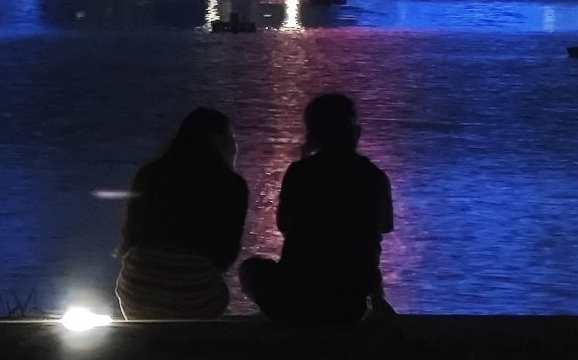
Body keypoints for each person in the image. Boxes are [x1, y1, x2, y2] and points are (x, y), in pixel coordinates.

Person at [239, 91, 394, 325]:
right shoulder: (375, 177)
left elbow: (285, 225)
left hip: (298, 296)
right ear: (355, 132)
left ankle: (280, 317)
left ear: (312, 134)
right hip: (350, 303)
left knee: (251, 269)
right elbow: (382, 228)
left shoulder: (300, 173)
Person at [116, 107, 249, 320]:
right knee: (218, 289)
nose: (235, 146)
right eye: (231, 137)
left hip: (136, 294)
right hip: (196, 297)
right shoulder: (231, 184)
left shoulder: (150, 174)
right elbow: (226, 256)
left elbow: (129, 237)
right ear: (218, 139)